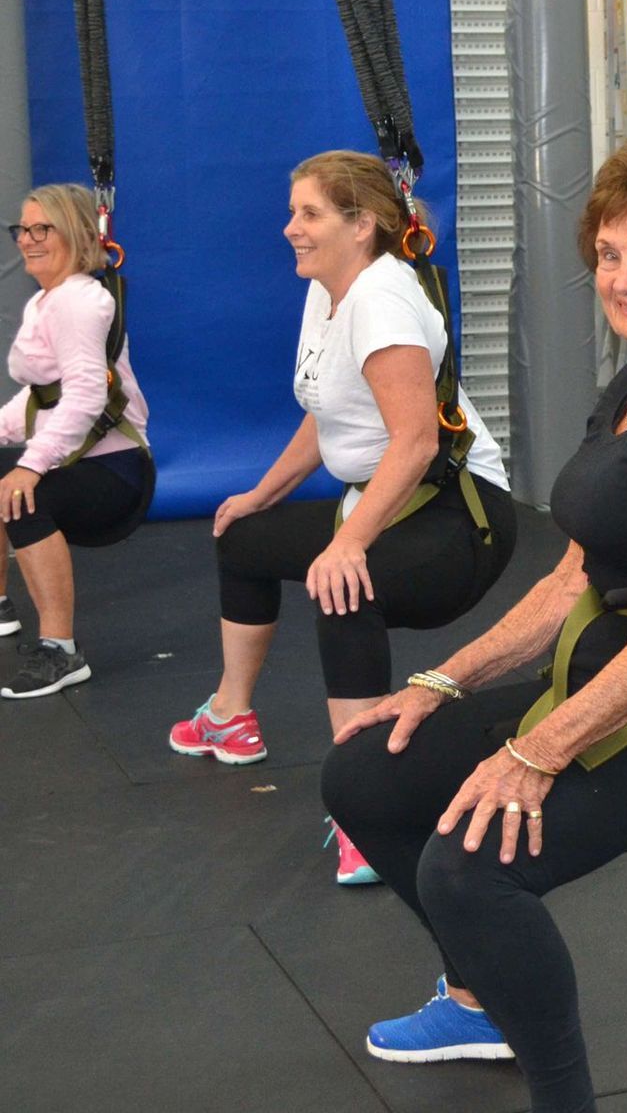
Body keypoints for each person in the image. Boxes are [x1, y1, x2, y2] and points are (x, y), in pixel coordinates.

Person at [320, 134, 627, 1113]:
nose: (624, 276)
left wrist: (534, 752)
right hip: (590, 676)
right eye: (611, 253)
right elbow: (573, 573)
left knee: (470, 870)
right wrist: (443, 679)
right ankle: (479, 995)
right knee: (364, 770)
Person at [167, 151, 516, 887]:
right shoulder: (328, 290)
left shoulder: (381, 299)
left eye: (310, 214)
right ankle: (230, 714)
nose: (290, 227)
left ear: (362, 225)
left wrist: (349, 540)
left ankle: (365, 811)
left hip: (460, 516)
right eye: (294, 211)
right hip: (390, 498)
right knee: (243, 539)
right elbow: (324, 411)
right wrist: (262, 494)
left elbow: (418, 439)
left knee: (342, 589)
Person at [0, 185, 154, 699]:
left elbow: (87, 395)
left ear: (78, 235)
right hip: (87, 460)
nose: (28, 239)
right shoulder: (50, 301)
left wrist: (32, 465)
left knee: (26, 497)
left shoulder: (78, 302)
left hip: (118, 473)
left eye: (43, 228)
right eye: (23, 228)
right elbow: (40, 399)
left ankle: (60, 651)